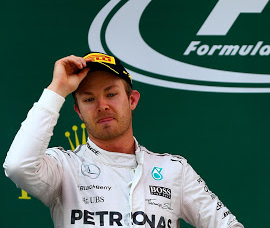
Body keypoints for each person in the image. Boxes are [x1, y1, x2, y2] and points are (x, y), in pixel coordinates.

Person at [4, 52, 243, 228]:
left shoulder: (174, 170)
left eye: (111, 94)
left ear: (132, 100)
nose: (102, 105)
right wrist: (57, 89)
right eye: (89, 99)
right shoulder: (63, 166)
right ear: (78, 111)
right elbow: (18, 166)